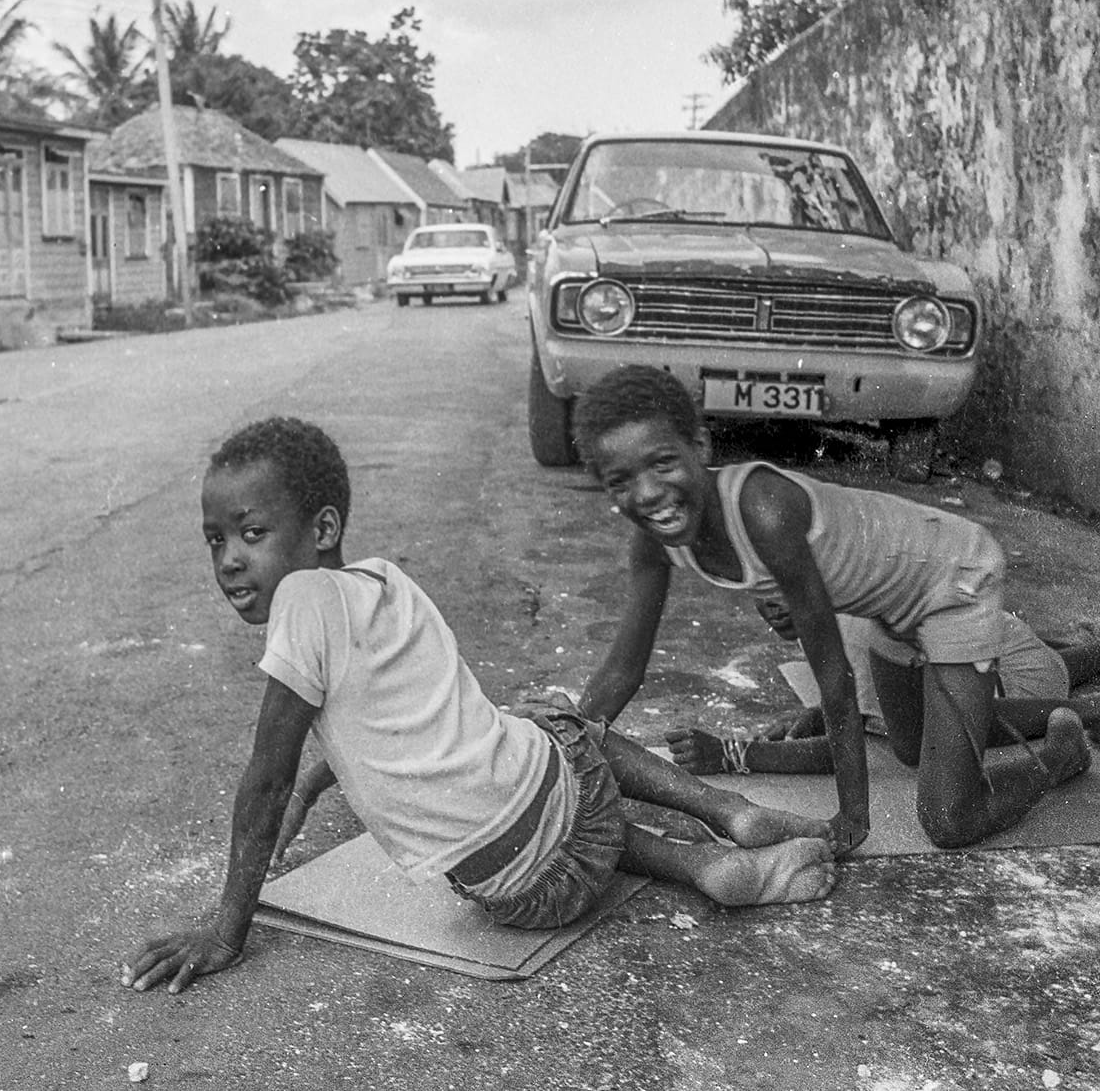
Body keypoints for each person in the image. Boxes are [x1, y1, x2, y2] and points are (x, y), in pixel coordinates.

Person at [122, 416, 836, 997]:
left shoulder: (301, 603)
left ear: (324, 529)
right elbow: (406, 724)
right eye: (216, 541)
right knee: (542, 723)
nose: (229, 561)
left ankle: (701, 866)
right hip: (576, 820)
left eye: (252, 534)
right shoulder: (386, 583)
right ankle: (723, 813)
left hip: (522, 897)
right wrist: (314, 782)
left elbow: (264, 779)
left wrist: (225, 932)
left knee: (537, 770)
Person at [571, 365, 1100, 855]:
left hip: (952, 578)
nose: (645, 494)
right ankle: (1030, 706)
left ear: (701, 446)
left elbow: (832, 674)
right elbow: (622, 671)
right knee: (908, 748)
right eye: (621, 481)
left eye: (663, 463)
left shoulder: (763, 508)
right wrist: (561, 746)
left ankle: (1063, 753)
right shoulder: (653, 543)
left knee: (950, 819)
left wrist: (852, 813)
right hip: (886, 609)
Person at [664, 605, 1100, 776]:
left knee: (934, 736)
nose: (769, 610)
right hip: (1005, 644)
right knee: (1055, 665)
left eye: (777, 593)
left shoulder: (854, 626)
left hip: (1008, 664)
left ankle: (1094, 710)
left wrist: (735, 755)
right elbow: (847, 707)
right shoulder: (840, 602)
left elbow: (845, 749)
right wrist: (821, 710)